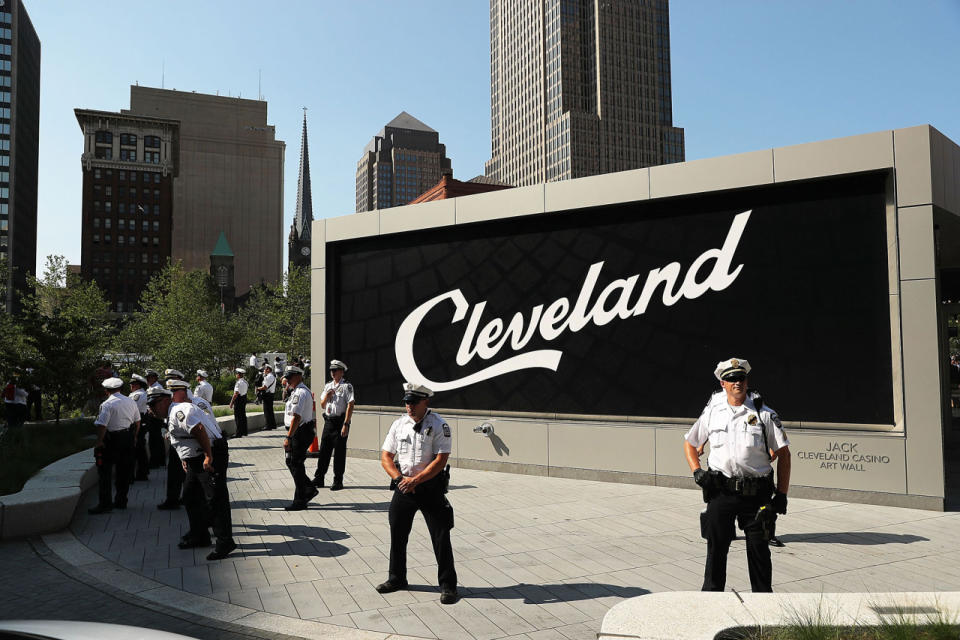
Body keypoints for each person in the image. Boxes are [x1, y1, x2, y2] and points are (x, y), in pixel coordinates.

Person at [683, 358, 791, 593]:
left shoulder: (764, 414)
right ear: (723, 383)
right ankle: (711, 601)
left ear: (746, 381)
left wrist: (781, 494)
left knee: (759, 552)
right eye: (731, 379)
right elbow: (690, 443)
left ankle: (763, 605)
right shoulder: (713, 412)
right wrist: (697, 471)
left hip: (757, 496)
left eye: (740, 378)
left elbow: (785, 454)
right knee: (716, 551)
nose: (736, 383)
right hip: (721, 492)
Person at [377, 382, 458, 605]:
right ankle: (396, 578)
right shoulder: (399, 425)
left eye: (413, 402)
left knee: (441, 536)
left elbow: (441, 460)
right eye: (406, 402)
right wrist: (399, 479)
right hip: (403, 486)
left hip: (430, 487)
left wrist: (416, 480)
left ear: (425, 402)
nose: (409, 406)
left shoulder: (439, 425)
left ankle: (448, 585)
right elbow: (385, 456)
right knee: (398, 533)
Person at [147, 382, 237, 560]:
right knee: (190, 495)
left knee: (215, 499)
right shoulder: (171, 414)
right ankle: (200, 535)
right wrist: (184, 458)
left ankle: (225, 542)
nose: (151, 409)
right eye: (149, 406)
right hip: (195, 459)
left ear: (165, 401)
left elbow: (199, 430)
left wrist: (208, 457)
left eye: (153, 405)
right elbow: (181, 439)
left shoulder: (180, 411)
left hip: (210, 455)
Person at [88, 377, 140, 514]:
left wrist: (99, 441)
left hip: (112, 440)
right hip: (127, 438)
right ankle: (121, 501)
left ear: (106, 391)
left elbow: (102, 425)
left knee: (104, 472)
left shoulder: (107, 404)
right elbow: (137, 421)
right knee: (124, 471)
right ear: (120, 388)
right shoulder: (131, 401)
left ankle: (105, 504)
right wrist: (134, 437)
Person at [313, 359, 355, 491]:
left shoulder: (346, 386)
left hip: (340, 422)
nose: (332, 372)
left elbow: (350, 405)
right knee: (324, 451)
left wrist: (346, 424)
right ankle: (319, 478)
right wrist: (327, 395)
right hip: (329, 422)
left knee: (339, 453)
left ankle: (338, 480)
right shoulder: (328, 386)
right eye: (331, 370)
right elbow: (322, 405)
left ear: (341, 372)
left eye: (335, 370)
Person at [282, 365, 318, 511]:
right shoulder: (296, 391)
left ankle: (300, 500)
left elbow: (296, 417)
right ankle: (308, 489)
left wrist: (288, 437)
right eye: (287, 377)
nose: (287, 379)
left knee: (296, 464)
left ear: (298, 376)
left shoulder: (300, 393)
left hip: (300, 432)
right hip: (299, 431)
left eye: (290, 377)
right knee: (292, 462)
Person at [129, 374, 151, 482]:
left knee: (137, 449)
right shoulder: (140, 393)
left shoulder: (136, 395)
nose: (131, 386)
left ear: (138, 385)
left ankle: (141, 473)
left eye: (133, 384)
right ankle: (143, 472)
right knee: (140, 448)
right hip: (140, 422)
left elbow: (132, 409)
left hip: (137, 422)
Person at [144, 369, 166, 468]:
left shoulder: (156, 387)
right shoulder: (152, 387)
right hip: (153, 415)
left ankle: (155, 462)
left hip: (155, 416)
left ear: (155, 378)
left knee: (154, 440)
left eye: (150, 377)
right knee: (157, 439)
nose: (148, 379)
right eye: (147, 378)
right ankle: (160, 460)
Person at [229, 367, 249, 438]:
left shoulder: (238, 383)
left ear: (239, 375)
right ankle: (244, 431)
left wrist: (231, 403)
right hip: (244, 398)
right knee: (243, 415)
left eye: (237, 373)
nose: (236, 375)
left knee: (238, 417)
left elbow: (236, 394)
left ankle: (238, 433)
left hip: (239, 399)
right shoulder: (245, 382)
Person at [258, 364, 277, 430]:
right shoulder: (272, 376)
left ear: (268, 369)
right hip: (270, 394)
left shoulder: (269, 377)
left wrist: (258, 388)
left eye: (265, 369)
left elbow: (265, 387)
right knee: (270, 410)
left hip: (267, 395)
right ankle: (273, 425)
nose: (264, 370)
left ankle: (268, 426)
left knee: (267, 411)